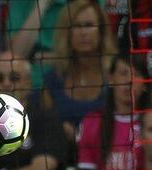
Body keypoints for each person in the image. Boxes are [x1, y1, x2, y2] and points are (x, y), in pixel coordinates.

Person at [40, 0, 115, 141]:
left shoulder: (114, 74)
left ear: (101, 31)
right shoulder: (52, 80)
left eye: (89, 25)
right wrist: (58, 128)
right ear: (66, 33)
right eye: (76, 26)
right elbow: (46, 129)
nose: (83, 33)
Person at [77, 55, 145, 170]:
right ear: (111, 79)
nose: (129, 80)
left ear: (145, 83)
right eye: (123, 73)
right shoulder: (92, 122)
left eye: (136, 75)